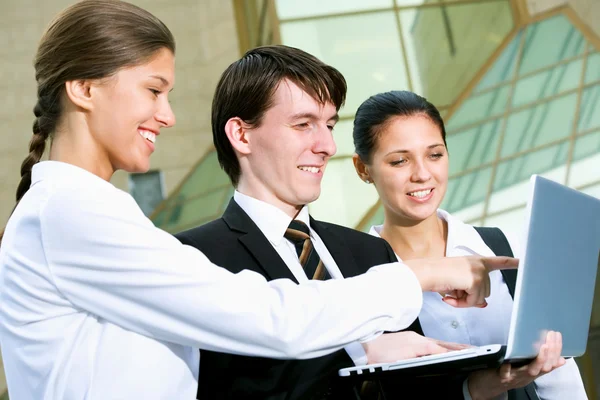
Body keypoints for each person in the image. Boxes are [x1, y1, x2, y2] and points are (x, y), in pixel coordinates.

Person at [0, 2, 517, 399]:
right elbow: (271, 319)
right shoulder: (71, 214)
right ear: (84, 89)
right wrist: (423, 275)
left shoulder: (83, 212)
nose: (168, 114)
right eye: (153, 90)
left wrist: (370, 352)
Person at [176, 44, 461, 400]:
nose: (327, 144)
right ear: (242, 135)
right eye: (303, 125)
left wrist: (489, 384)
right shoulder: (193, 259)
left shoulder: (370, 252)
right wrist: (360, 355)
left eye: (328, 125)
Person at [352, 90, 587, 399]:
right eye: (399, 161)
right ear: (362, 169)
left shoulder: (505, 247)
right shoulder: (355, 277)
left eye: (435, 155)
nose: (423, 174)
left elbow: (559, 373)